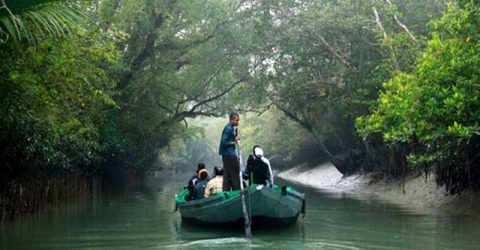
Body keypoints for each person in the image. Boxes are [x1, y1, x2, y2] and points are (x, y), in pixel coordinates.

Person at [219, 113, 240, 191]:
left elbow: (230, 139)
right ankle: (237, 192)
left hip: (226, 155)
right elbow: (223, 142)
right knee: (235, 175)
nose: (238, 122)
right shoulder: (228, 129)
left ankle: (226, 192)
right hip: (230, 155)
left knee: (227, 176)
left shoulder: (230, 128)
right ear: (232, 120)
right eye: (237, 120)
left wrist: (235, 138)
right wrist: (234, 142)